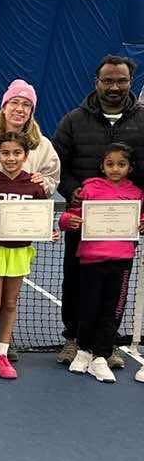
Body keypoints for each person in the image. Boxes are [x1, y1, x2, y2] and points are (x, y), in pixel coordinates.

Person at [53, 55, 144, 368]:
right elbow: (57, 165)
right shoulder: (73, 120)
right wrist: (72, 191)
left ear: (130, 83)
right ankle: (74, 339)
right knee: (75, 281)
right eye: (108, 81)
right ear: (97, 83)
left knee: (113, 289)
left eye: (121, 81)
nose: (115, 86)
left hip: (123, 228)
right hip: (83, 223)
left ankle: (107, 345)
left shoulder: (142, 120)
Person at [59, 143, 143, 383]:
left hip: (121, 262)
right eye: (110, 164)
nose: (115, 169)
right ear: (102, 166)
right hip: (90, 260)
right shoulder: (90, 189)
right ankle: (83, 351)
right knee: (87, 307)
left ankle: (101, 357)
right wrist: (67, 221)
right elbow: (70, 216)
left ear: (129, 167)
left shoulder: (136, 193)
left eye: (121, 164)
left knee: (111, 312)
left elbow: (141, 218)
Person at [0, 132, 56, 379]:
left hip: (20, 252)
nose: (11, 158)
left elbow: (40, 220)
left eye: (16, 153)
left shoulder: (35, 187)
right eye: (5, 153)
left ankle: (2, 353)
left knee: (10, 304)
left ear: (26, 155)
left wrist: (48, 233)